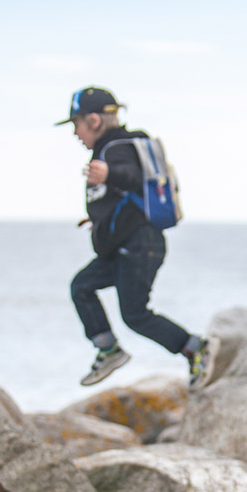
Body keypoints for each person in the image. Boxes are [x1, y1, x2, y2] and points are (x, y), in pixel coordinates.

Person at [55, 86, 219, 389]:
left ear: (93, 120)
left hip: (139, 245)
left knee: (135, 314)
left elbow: (135, 178)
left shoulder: (116, 148)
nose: (75, 133)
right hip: (126, 246)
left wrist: (110, 174)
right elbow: (124, 196)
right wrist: (99, 219)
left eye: (76, 124)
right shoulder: (112, 148)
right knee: (82, 286)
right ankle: (109, 350)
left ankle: (197, 348)